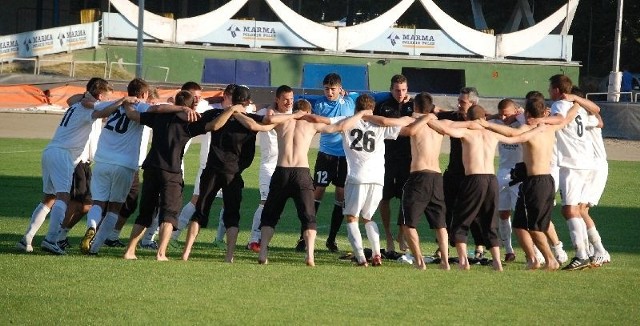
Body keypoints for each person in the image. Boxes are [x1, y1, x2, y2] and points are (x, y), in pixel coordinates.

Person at [181, 86, 301, 262]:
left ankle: (186, 253)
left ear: (231, 99)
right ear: (247, 102)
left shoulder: (215, 115)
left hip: (211, 170)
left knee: (200, 212)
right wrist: (294, 115)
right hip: (233, 174)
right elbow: (267, 122)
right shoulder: (250, 119)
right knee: (232, 215)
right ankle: (229, 256)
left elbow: (194, 122)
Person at [78, 78, 197, 255]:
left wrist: (119, 101)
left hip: (102, 159)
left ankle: (92, 226)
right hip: (125, 163)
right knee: (115, 207)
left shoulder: (113, 104)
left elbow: (83, 103)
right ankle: (94, 248)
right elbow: (157, 109)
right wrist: (182, 108)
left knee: (98, 202)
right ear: (143, 94)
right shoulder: (139, 105)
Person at [118, 91, 242, 260]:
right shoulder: (190, 121)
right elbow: (214, 126)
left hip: (151, 168)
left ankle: (130, 250)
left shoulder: (159, 117)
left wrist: (125, 102)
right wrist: (230, 110)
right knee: (169, 214)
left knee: (145, 212)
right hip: (171, 172)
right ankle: (161, 253)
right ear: (191, 107)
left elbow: (132, 114)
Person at [239, 99, 360, 266]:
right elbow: (338, 127)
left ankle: (263, 252)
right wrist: (360, 115)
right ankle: (310, 255)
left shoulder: (282, 122)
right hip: (301, 173)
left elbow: (257, 126)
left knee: (270, 216)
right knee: (309, 217)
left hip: (281, 171)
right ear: (308, 112)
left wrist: (236, 112)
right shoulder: (311, 125)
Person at [427, 105, 546, 271]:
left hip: (473, 179)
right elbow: (514, 135)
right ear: (484, 117)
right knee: (490, 221)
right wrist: (539, 129)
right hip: (491, 180)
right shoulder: (492, 133)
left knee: (461, 220)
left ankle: (463, 262)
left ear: (468, 118)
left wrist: (430, 118)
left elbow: (444, 128)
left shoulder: (467, 132)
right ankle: (497, 262)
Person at [16, 79, 125, 254]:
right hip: (63, 154)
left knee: (49, 198)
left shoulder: (80, 104)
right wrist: (121, 101)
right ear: (98, 96)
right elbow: (102, 110)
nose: (107, 100)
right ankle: (52, 239)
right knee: (63, 197)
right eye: (106, 97)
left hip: (51, 151)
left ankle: (27, 239)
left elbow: (86, 103)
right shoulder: (85, 107)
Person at [481, 96, 581, 270]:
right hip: (543, 181)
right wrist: (577, 104)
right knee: (520, 224)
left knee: (534, 227)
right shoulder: (549, 127)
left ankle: (551, 260)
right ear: (543, 112)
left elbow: (512, 134)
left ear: (527, 113)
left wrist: (487, 125)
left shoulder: (528, 128)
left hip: (536, 182)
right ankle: (533, 259)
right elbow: (567, 119)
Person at [545, 74, 604, 270]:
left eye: (550, 88)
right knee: (573, 209)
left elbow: (560, 119)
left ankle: (581, 254)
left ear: (557, 90)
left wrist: (541, 119)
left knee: (569, 209)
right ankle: (588, 251)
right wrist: (578, 101)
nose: (548, 92)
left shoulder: (559, 105)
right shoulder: (579, 108)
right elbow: (597, 113)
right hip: (587, 163)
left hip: (572, 164)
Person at [296, 73, 355, 253]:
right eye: (326, 89)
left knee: (341, 196)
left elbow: (374, 97)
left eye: (333, 89)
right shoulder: (319, 103)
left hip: (345, 157)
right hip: (326, 156)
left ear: (340, 88)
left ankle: (332, 239)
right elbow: (300, 101)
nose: (329, 92)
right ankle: (303, 238)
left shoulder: (351, 101)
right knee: (316, 194)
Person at [172, 83, 236, 246]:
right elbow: (189, 102)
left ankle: (219, 239)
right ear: (226, 96)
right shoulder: (209, 107)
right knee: (197, 199)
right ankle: (174, 236)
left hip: (228, 164)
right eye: (233, 97)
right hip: (209, 162)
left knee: (227, 202)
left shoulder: (242, 110)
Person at [399, 92, 450, 270]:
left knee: (407, 224)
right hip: (436, 176)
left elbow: (406, 131)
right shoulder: (439, 124)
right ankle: (445, 261)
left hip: (419, 176)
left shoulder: (412, 121)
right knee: (440, 223)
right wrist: (431, 116)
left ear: (415, 107)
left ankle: (420, 262)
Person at [435, 87, 486, 261]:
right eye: (459, 100)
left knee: (475, 212)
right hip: (453, 173)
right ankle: (443, 246)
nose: (459, 104)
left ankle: (480, 245)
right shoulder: (453, 117)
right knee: (447, 209)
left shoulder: (481, 121)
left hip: (473, 174)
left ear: (473, 103)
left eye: (463, 102)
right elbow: (434, 115)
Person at [245, 85, 294, 253]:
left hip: (286, 167)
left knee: (277, 206)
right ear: (277, 99)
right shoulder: (267, 112)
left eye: (291, 99)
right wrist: (271, 108)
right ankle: (253, 239)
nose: (289, 103)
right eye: (285, 99)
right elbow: (264, 117)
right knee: (265, 202)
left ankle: (264, 240)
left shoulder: (294, 114)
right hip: (268, 166)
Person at [373, 74, 413, 256]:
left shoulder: (413, 106)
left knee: (406, 198)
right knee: (385, 198)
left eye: (404, 90)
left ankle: (401, 234)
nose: (401, 93)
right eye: (397, 90)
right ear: (391, 90)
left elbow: (434, 111)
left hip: (408, 159)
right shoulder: (383, 106)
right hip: (386, 159)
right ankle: (388, 236)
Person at [491, 99, 524, 262]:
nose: (503, 118)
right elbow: (482, 119)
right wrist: (496, 115)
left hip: (519, 174)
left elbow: (531, 119)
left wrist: (521, 114)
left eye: (507, 114)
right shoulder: (497, 121)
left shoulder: (522, 122)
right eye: (501, 113)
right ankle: (509, 250)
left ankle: (534, 251)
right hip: (503, 172)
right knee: (502, 213)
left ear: (515, 111)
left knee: (522, 214)